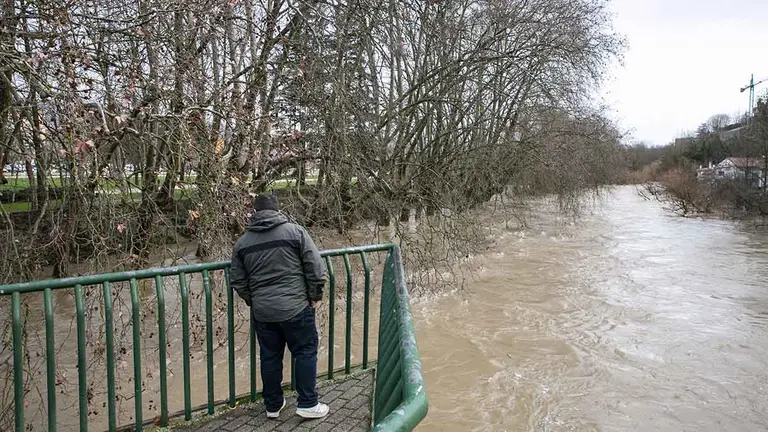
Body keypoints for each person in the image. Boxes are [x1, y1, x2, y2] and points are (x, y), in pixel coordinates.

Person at [230, 194, 329, 419]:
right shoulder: (295, 232)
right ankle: (308, 403)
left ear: (254, 213)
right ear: (278, 211)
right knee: (305, 352)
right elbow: (315, 267)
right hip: (296, 306)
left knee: (270, 357)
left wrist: (254, 300)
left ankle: (273, 406)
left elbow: (237, 280)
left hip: (263, 312)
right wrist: (315, 296)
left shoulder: (242, 243)